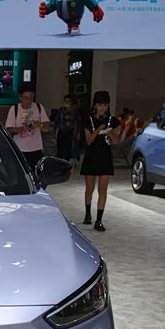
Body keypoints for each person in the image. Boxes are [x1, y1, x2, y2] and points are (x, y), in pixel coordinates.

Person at [81, 90, 122, 232]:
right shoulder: (88, 120)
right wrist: (99, 129)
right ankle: (87, 214)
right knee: (89, 189)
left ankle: (99, 220)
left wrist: (110, 131)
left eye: (105, 105)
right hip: (91, 156)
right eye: (99, 105)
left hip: (105, 157)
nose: (102, 108)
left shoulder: (113, 120)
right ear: (95, 105)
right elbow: (89, 140)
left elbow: (116, 141)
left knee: (103, 189)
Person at [6, 83, 50, 172]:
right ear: (20, 97)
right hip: (19, 150)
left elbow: (47, 128)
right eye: (25, 98)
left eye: (31, 98)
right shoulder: (14, 109)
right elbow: (8, 130)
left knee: (36, 175)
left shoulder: (39, 107)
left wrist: (39, 124)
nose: (28, 101)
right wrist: (21, 129)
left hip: (36, 150)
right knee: (21, 175)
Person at [56, 94, 79, 164]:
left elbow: (77, 122)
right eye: (65, 101)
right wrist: (55, 129)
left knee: (68, 148)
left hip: (70, 131)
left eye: (68, 101)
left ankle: (66, 162)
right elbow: (57, 120)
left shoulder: (75, 110)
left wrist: (77, 133)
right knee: (59, 147)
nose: (66, 102)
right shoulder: (61, 110)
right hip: (61, 131)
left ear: (71, 102)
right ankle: (59, 162)